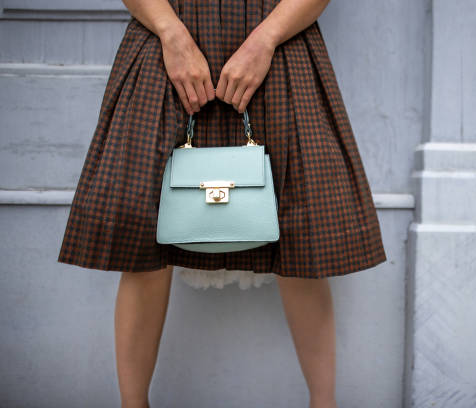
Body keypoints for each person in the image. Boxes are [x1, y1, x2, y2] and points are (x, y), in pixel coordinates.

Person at [57, 0, 387, 407]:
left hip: (278, 45)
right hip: (166, 46)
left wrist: (264, 40)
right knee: (141, 237)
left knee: (303, 237)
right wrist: (172, 34)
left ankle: (324, 405)